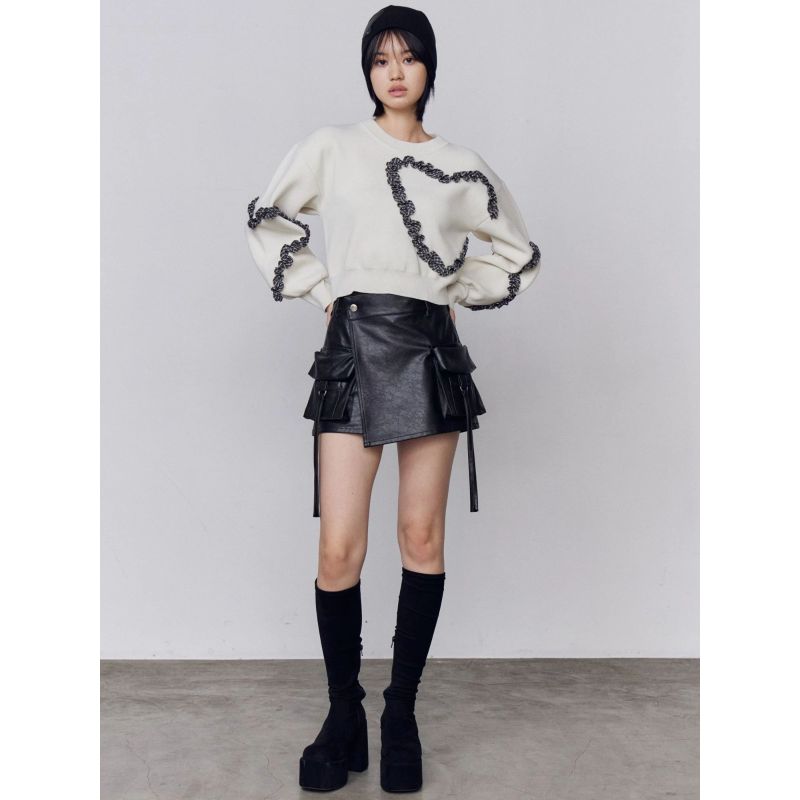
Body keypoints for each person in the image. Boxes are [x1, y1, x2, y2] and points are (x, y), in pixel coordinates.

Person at [244, 5, 542, 792]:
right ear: (368, 71)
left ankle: (400, 713)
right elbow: (269, 218)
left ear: (430, 67)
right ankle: (343, 713)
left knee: (421, 537)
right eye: (381, 59)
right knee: (338, 550)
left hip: (426, 350)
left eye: (409, 57)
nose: (395, 71)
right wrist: (324, 293)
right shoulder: (332, 147)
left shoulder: (459, 164)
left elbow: (515, 249)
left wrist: (455, 293)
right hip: (353, 344)